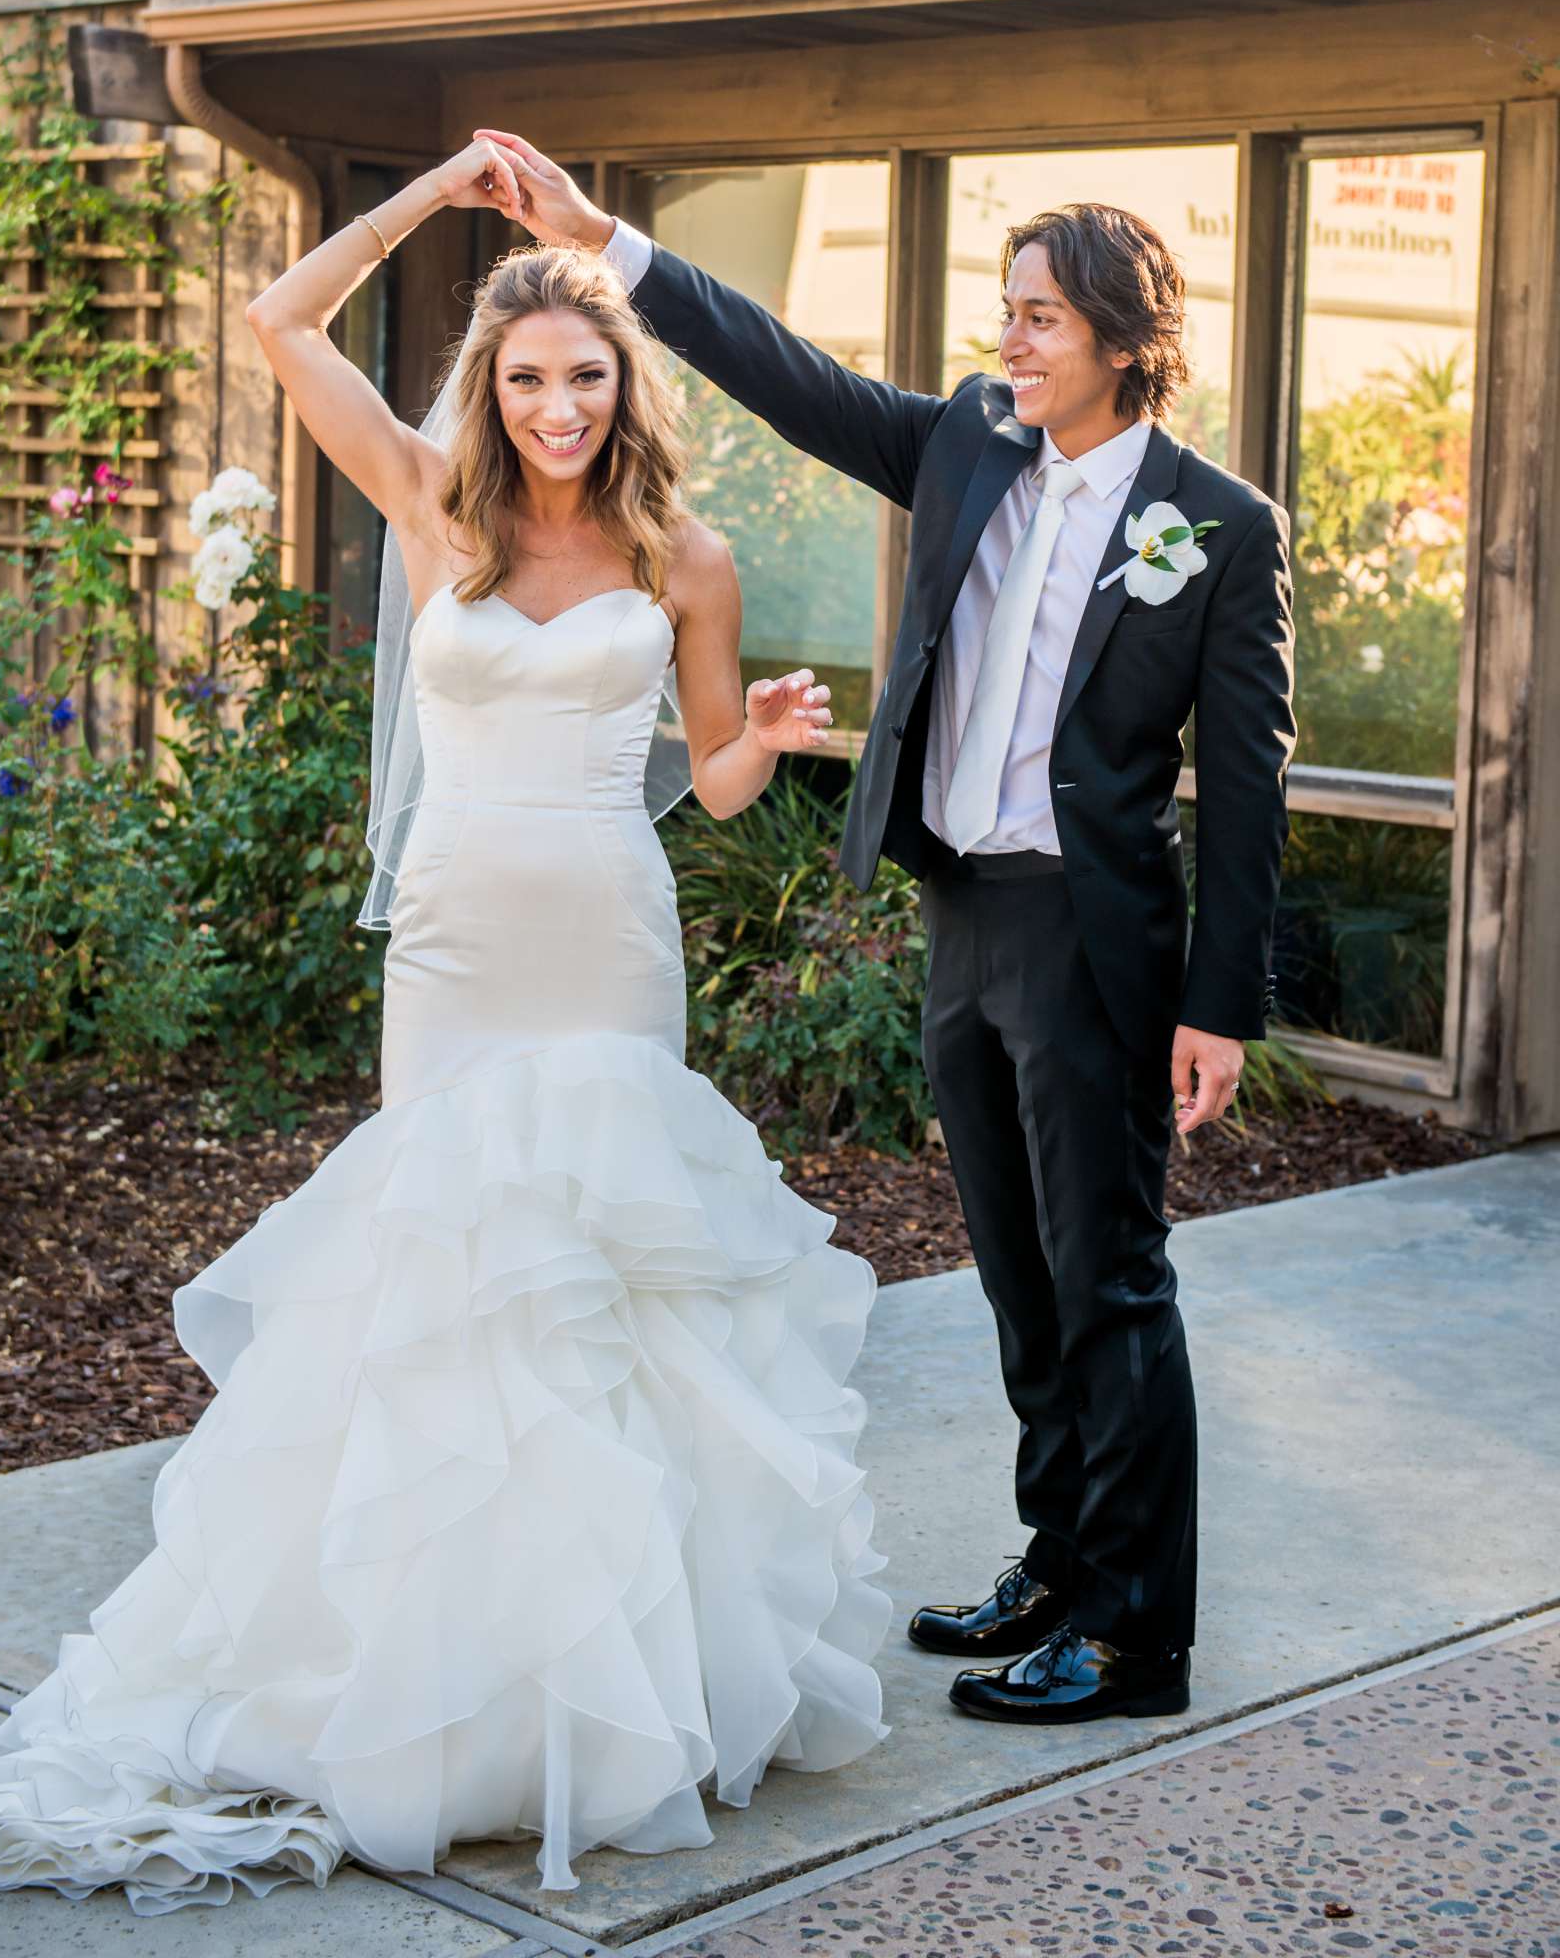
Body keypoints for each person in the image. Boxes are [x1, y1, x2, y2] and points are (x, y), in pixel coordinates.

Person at [0, 140, 890, 1914]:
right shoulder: (427, 504)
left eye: (585, 374)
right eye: (528, 374)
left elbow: (707, 777)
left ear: (627, 387)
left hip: (607, 939)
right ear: (493, 383)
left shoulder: (683, 555)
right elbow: (275, 314)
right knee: (449, 1280)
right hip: (457, 949)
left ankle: (603, 1697)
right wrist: (442, 206)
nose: (555, 403)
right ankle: (419, 1671)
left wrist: (768, 727)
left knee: (596, 1291)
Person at [477, 129, 1296, 1727]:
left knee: (1110, 1279)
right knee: (1016, 1274)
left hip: (1092, 935)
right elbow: (785, 371)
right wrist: (606, 243)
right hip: (965, 911)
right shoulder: (968, 444)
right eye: (1011, 309)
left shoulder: (1217, 525)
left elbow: (1249, 788)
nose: (1012, 337)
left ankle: (1136, 1639)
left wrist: (1224, 1007)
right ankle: (1059, 1566)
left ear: (1129, 339)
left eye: (1044, 315)